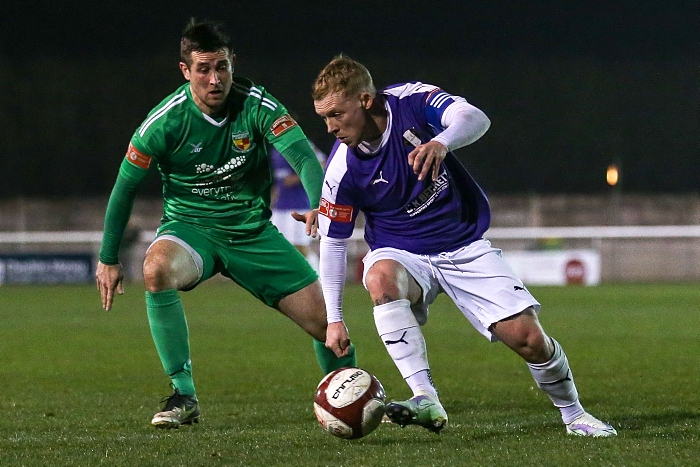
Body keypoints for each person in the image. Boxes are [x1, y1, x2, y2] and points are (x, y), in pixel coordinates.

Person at [312, 55, 617, 437]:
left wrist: (441, 142)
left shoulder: (410, 101)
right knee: (380, 278)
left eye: (336, 114)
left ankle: (574, 415)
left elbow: (475, 118)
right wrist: (336, 318)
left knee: (530, 340)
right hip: (401, 251)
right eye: (324, 117)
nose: (330, 127)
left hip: (463, 245)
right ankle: (424, 396)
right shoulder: (341, 169)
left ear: (366, 99)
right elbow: (334, 244)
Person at [95, 20, 356, 429]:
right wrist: (108, 257)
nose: (215, 79)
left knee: (327, 324)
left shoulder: (258, 104)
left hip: (252, 233)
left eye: (222, 67)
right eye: (203, 69)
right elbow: (124, 187)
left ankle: (345, 398)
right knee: (155, 268)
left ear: (233, 64)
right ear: (185, 71)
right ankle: (183, 395)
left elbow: (304, 158)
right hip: (191, 229)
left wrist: (321, 206)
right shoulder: (163, 122)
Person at [269, 140, 326, 273]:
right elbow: (280, 181)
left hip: (299, 205)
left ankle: (318, 278)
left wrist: (299, 177)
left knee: (301, 246)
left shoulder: (299, 143)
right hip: (279, 208)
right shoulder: (274, 150)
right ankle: (286, 277)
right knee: (277, 246)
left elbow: (322, 164)